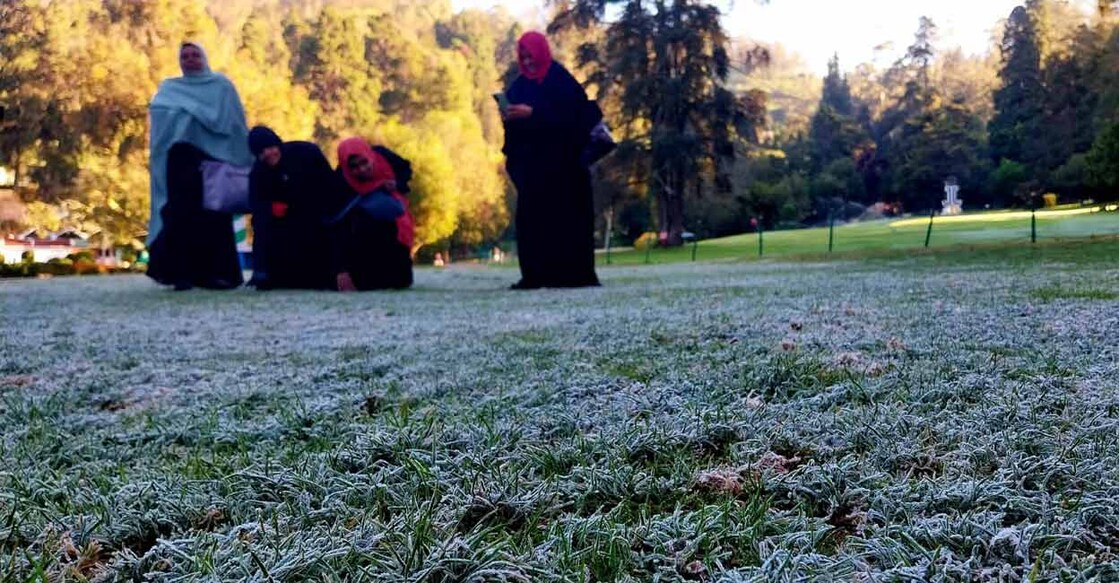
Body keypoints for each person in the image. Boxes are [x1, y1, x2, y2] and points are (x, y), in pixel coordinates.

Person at [146, 42, 253, 291]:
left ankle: (218, 275)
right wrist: (187, 115)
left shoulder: (222, 87)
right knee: (179, 217)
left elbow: (234, 124)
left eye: (195, 54)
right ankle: (180, 274)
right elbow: (160, 115)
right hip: (180, 163)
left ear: (204, 57)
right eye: (185, 55)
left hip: (213, 162)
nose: (190, 59)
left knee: (213, 216)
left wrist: (187, 114)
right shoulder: (170, 89)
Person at [501, 31, 601, 290]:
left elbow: (574, 120)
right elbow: (514, 136)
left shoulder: (561, 81)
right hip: (534, 170)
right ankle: (536, 275)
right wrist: (510, 118)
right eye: (523, 57)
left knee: (568, 222)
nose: (528, 62)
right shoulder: (519, 86)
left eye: (531, 56)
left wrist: (534, 114)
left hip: (565, 168)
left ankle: (573, 275)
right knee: (533, 223)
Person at [246, 126, 339, 290]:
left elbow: (330, 186)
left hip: (316, 218)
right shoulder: (259, 173)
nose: (268, 154)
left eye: (270, 147)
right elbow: (258, 211)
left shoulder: (306, 153)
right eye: (261, 152)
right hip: (285, 226)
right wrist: (270, 208)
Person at [331, 137, 414, 291]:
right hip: (363, 237)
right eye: (354, 167)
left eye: (365, 162)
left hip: (392, 226)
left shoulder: (384, 157)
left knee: (401, 281)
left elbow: (405, 171)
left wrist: (396, 184)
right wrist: (341, 270)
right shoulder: (342, 181)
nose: (362, 169)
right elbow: (338, 222)